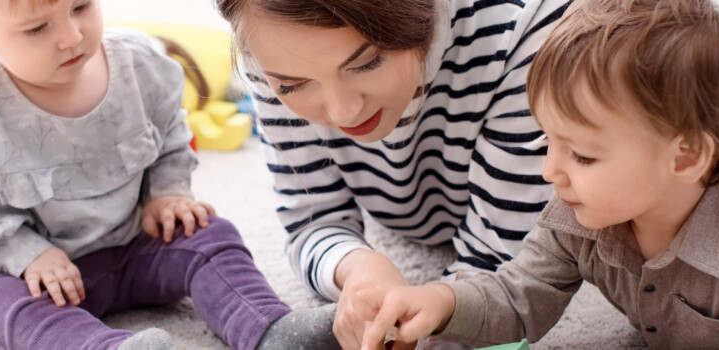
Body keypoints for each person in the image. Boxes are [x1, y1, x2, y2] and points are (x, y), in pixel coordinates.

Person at [360, 0, 719, 348]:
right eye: (548, 142)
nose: (550, 171)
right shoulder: (575, 214)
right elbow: (518, 297)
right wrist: (442, 300)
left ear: (684, 156)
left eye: (581, 155)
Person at [0, 0, 339, 349]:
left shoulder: (140, 63)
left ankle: (270, 329)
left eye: (81, 6)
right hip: (38, 275)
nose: (70, 36)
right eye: (36, 29)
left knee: (211, 233)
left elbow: (172, 136)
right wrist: (25, 253)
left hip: (139, 244)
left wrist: (166, 193)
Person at [213, 0, 571, 347]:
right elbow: (310, 220)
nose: (343, 113)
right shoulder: (268, 44)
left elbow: (507, 269)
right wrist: (356, 269)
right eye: (292, 85)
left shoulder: (527, 28)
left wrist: (437, 313)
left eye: (368, 62)